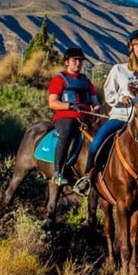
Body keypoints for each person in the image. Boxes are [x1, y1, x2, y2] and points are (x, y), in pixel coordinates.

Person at [73, 29, 138, 197]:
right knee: (97, 142)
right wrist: (121, 99)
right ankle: (88, 177)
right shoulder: (118, 70)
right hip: (120, 117)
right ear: (131, 48)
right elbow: (109, 93)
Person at [47, 47, 101, 186]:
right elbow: (52, 103)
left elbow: (95, 102)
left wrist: (96, 108)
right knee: (66, 133)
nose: (78, 63)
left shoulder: (87, 81)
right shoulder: (59, 79)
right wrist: (69, 106)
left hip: (87, 117)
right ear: (67, 62)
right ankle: (58, 172)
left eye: (80, 61)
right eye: (74, 60)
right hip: (66, 116)